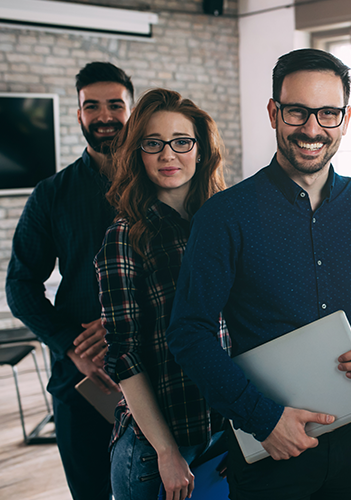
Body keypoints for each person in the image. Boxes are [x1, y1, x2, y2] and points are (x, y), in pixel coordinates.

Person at [165, 48, 351, 499]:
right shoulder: (224, 216)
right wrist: (263, 419)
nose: (312, 129)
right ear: (274, 113)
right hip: (268, 447)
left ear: (346, 119)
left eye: (328, 113)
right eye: (297, 112)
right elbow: (188, 332)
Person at [6, 61, 133, 500]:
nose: (104, 116)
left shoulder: (162, 182)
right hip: (84, 379)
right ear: (79, 114)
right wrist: (72, 348)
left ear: (131, 111)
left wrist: (124, 321)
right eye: (91, 106)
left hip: (160, 368)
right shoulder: (51, 195)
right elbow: (20, 285)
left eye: (115, 105)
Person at [94, 88, 228, 500]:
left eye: (181, 142)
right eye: (153, 143)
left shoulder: (222, 224)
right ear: (138, 153)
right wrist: (167, 452)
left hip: (226, 430)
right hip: (158, 451)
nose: (168, 155)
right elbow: (125, 355)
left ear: (201, 151)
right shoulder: (125, 236)